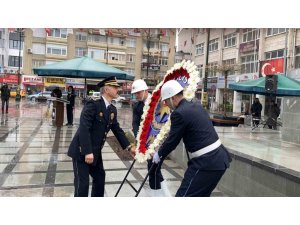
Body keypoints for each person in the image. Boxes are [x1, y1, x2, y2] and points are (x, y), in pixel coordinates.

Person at [152, 80, 231, 197]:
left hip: (206, 162)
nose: (166, 104)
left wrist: (159, 154)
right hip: (219, 159)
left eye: (166, 101)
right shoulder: (196, 106)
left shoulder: (179, 113)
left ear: (173, 98)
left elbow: (173, 140)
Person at [67, 76, 135, 197]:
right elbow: (84, 128)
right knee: (82, 185)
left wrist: (129, 147)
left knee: (99, 178)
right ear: (106, 90)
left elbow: (117, 130)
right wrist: (87, 151)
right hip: (82, 150)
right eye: (115, 87)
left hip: (95, 152)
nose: (117, 90)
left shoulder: (112, 109)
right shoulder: (93, 105)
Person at [131, 79, 170, 196]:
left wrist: (156, 144)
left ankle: (159, 195)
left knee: (153, 169)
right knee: (154, 169)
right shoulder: (137, 106)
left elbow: (163, 121)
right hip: (146, 142)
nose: (136, 95)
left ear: (146, 90)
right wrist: (140, 141)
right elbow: (135, 124)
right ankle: (163, 195)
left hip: (158, 141)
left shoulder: (157, 102)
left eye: (138, 92)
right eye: (135, 93)